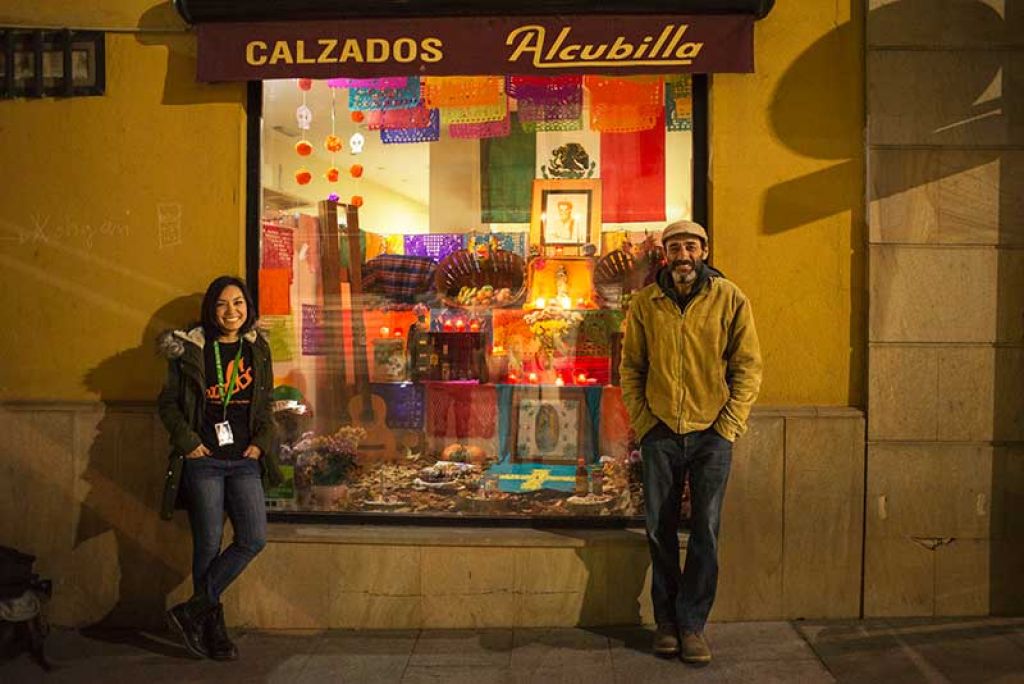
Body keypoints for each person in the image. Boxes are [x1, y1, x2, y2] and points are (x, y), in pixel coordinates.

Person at [619, 220, 761, 665]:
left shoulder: (730, 298)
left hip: (712, 434)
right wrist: (644, 423)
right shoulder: (646, 303)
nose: (683, 254)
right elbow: (631, 368)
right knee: (659, 531)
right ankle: (665, 623)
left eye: (691, 246)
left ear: (704, 250)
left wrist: (728, 424)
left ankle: (693, 625)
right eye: (675, 247)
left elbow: (748, 366)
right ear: (666, 254)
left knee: (706, 532)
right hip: (660, 431)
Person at [156, 275, 281, 660]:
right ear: (211, 310)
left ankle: (193, 609)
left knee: (253, 538)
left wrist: (261, 444)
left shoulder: (257, 349)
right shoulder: (193, 349)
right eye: (223, 304)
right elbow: (169, 404)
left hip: (244, 460)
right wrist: (189, 442)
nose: (232, 312)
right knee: (208, 546)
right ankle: (213, 632)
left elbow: (266, 403)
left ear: (248, 308)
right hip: (204, 461)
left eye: (239, 303)